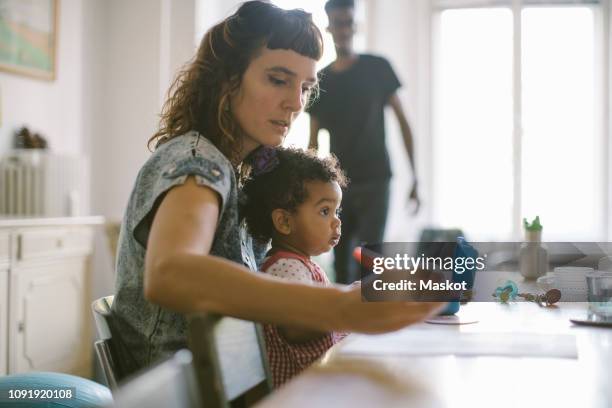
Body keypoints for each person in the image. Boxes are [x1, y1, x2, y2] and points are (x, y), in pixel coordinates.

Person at [111, 1, 442, 375]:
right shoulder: (198, 163)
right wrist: (341, 305)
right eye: (278, 79)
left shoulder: (238, 171)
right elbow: (170, 273)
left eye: (305, 87)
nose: (296, 102)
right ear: (227, 78)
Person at [308, 0, 420, 284]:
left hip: (376, 179)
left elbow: (404, 123)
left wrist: (415, 178)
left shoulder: (377, 68)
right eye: (338, 23)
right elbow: (312, 144)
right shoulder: (321, 81)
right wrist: (311, 191)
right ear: (329, 27)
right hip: (339, 186)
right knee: (341, 261)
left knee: (372, 261)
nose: (343, 29)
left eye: (348, 22)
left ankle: (372, 325)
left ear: (355, 25)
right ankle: (342, 328)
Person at [242, 147, 348, 387]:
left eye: (336, 210)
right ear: (285, 221)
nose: (337, 220)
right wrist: (347, 311)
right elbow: (299, 326)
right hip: (298, 394)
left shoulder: (301, 264)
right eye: (324, 211)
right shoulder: (285, 268)